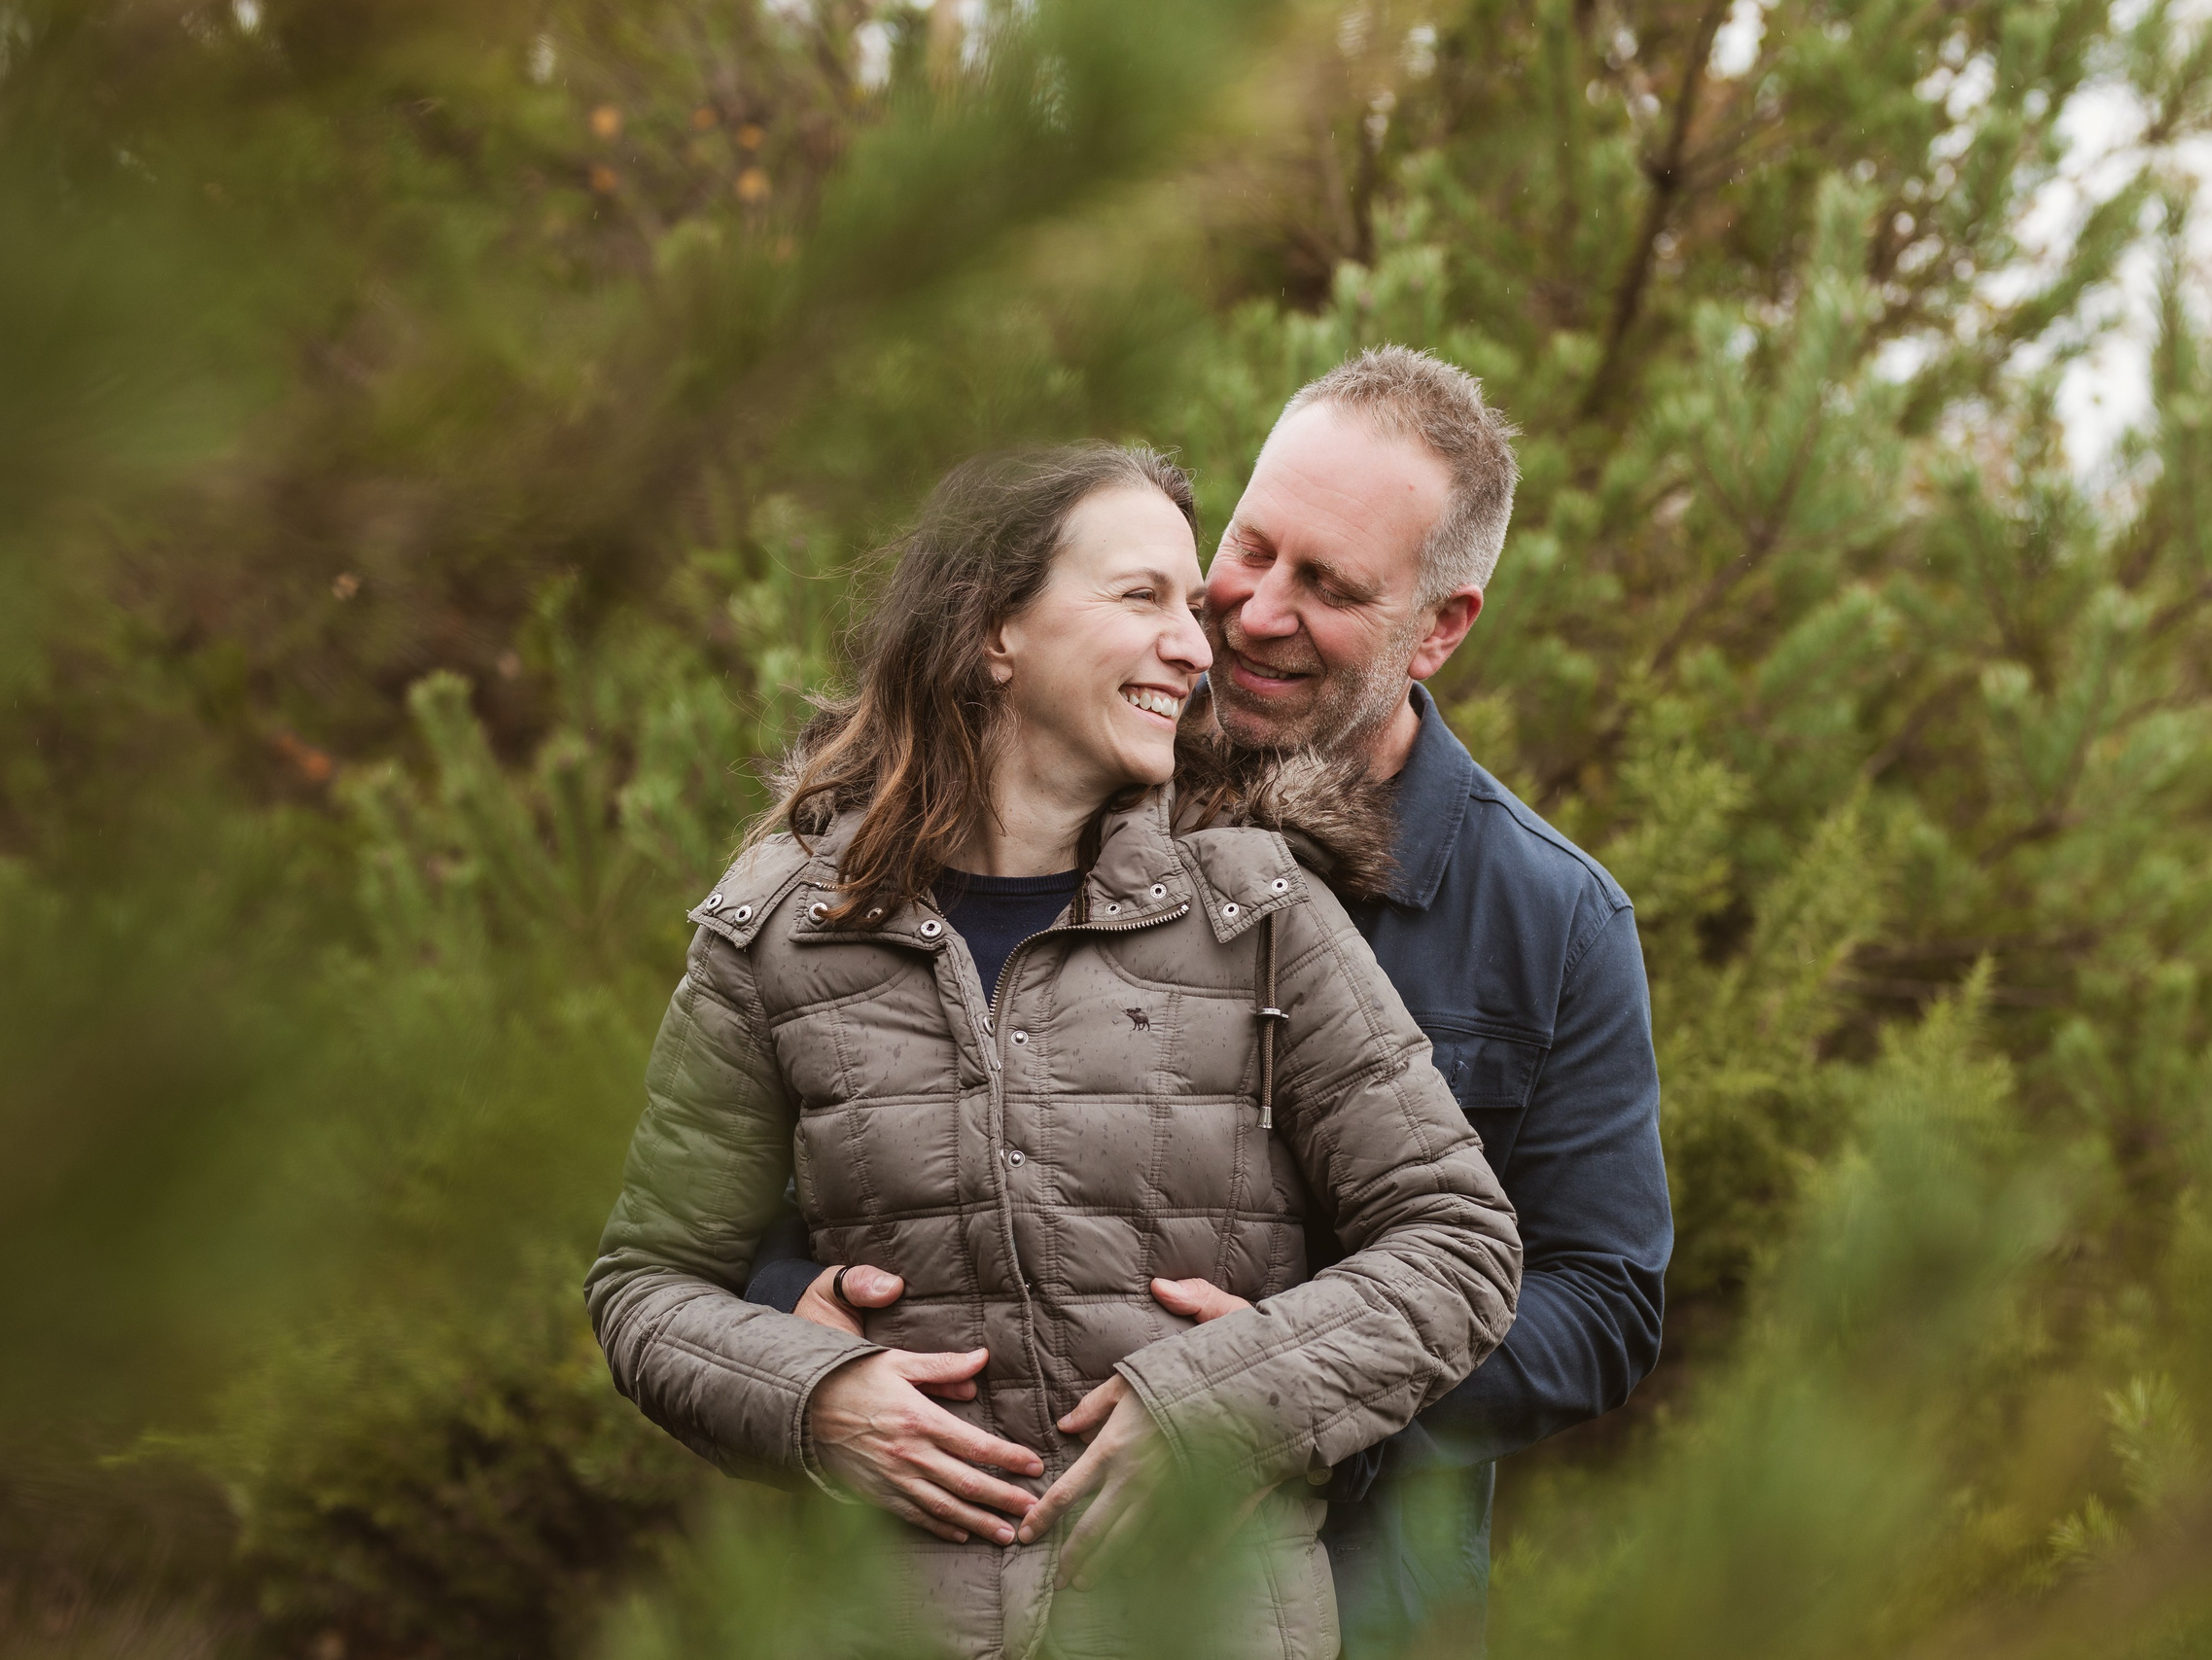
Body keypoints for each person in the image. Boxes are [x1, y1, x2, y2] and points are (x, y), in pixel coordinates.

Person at [759, 349, 1672, 1657]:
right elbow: (781, 1151)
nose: (1251, 611)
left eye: (1331, 585)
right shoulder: (1042, 780)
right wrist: (798, 1318)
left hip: (1357, 1611)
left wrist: (1299, 1384)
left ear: (1442, 625)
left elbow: (1601, 1301)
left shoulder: (1552, 918)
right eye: (1251, 546)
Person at [585, 442, 1524, 1660]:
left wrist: (1228, 1405)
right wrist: (812, 1399)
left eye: (1192, 609)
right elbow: (644, 1284)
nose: (1198, 647)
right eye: (1142, 599)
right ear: (991, 632)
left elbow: (1457, 1243)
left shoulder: (1257, 909)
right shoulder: (776, 929)